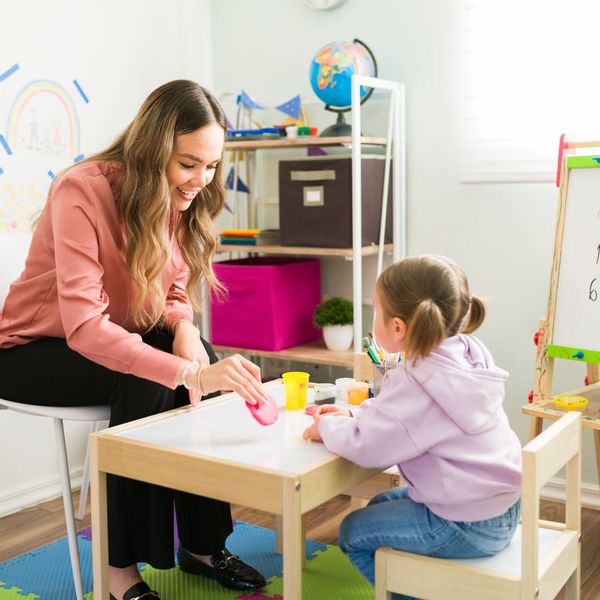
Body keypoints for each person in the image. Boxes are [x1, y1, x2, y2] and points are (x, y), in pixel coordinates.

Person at [0, 80, 269, 600]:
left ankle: (203, 544)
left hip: (105, 337)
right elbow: (83, 325)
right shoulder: (81, 190)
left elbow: (171, 289)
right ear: (154, 147)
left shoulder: (173, 194)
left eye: (211, 166)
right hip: (30, 349)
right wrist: (184, 370)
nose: (201, 180)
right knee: (147, 372)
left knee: (198, 357)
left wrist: (187, 330)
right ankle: (117, 572)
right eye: (189, 163)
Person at [303, 255, 522, 600]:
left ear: (398, 328)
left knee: (352, 532)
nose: (373, 319)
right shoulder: (464, 353)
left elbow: (368, 448)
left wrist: (326, 427)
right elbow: (400, 416)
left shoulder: (418, 379)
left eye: (376, 311)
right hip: (501, 508)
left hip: (464, 524)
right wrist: (354, 417)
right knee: (377, 504)